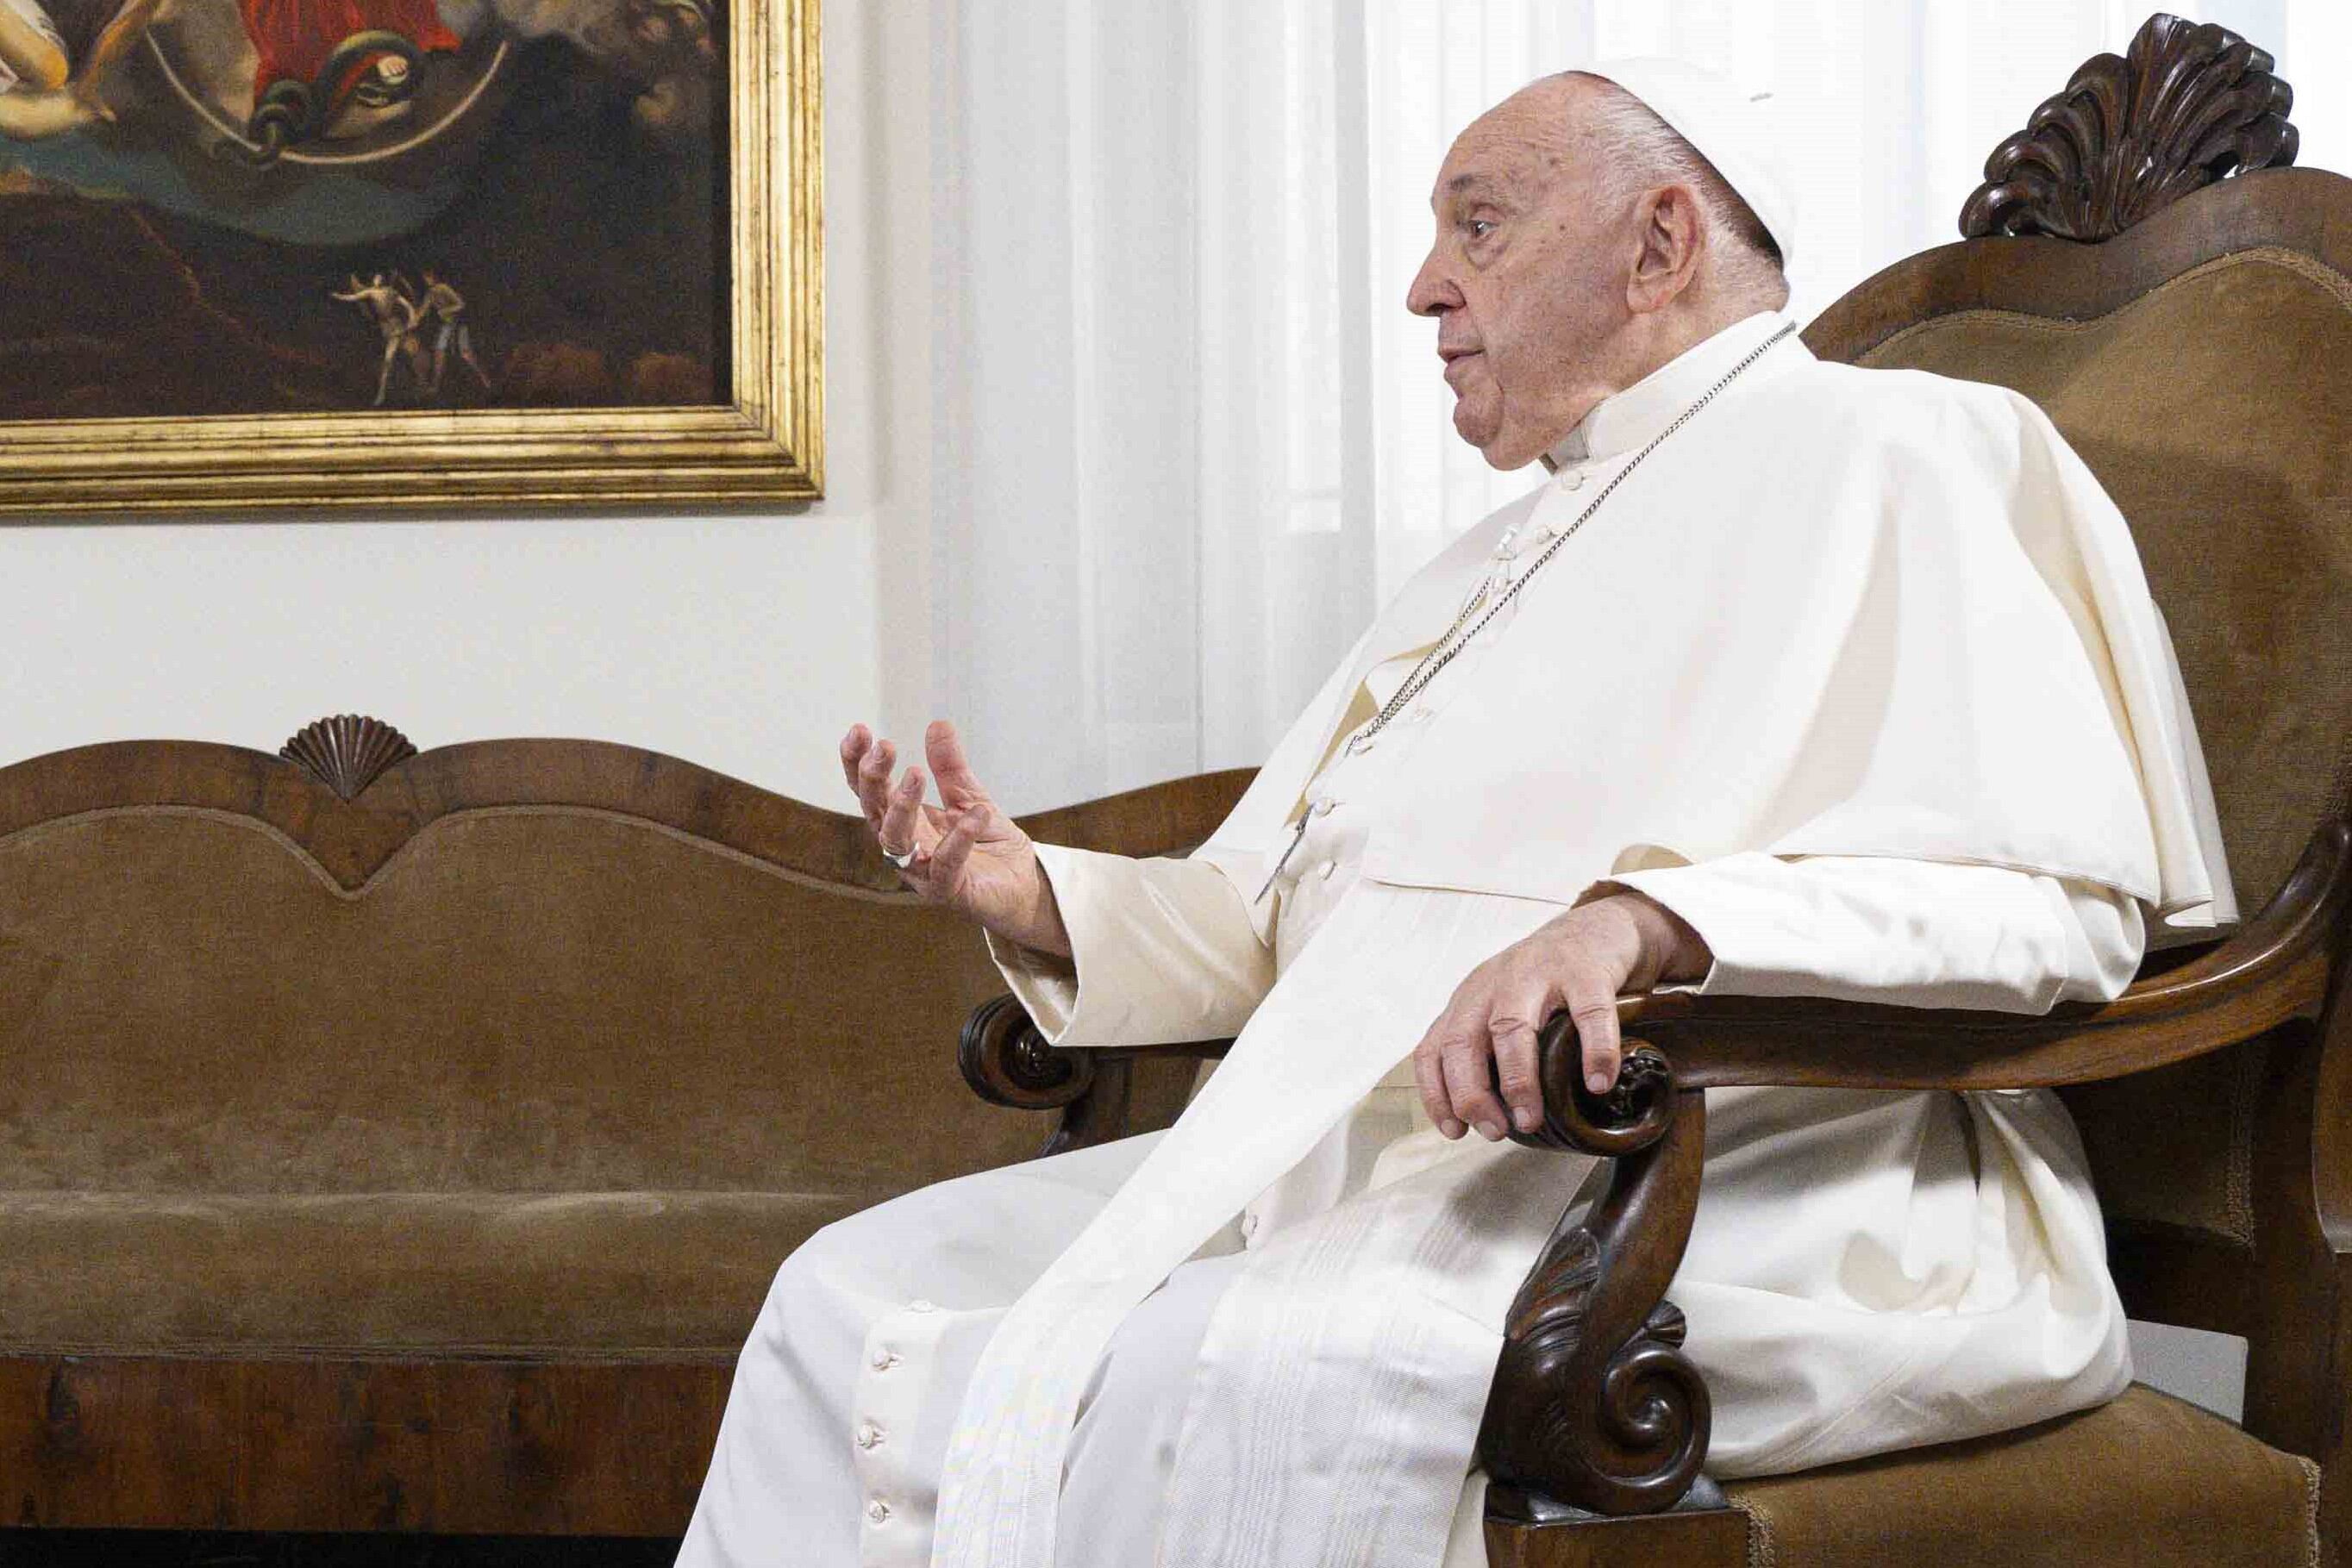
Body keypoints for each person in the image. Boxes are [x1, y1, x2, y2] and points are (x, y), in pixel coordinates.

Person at [679, 59, 2234, 1568]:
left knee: (1199, 1379)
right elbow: (1286, 926)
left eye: (1476, 225)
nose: (1424, 287)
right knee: (847, 1299)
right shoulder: (1490, 561)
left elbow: (2057, 905)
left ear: (1660, 243)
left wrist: (1647, 925)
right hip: (1379, 1164)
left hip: (1764, 1171)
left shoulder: (1914, 452)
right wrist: (1034, 895)